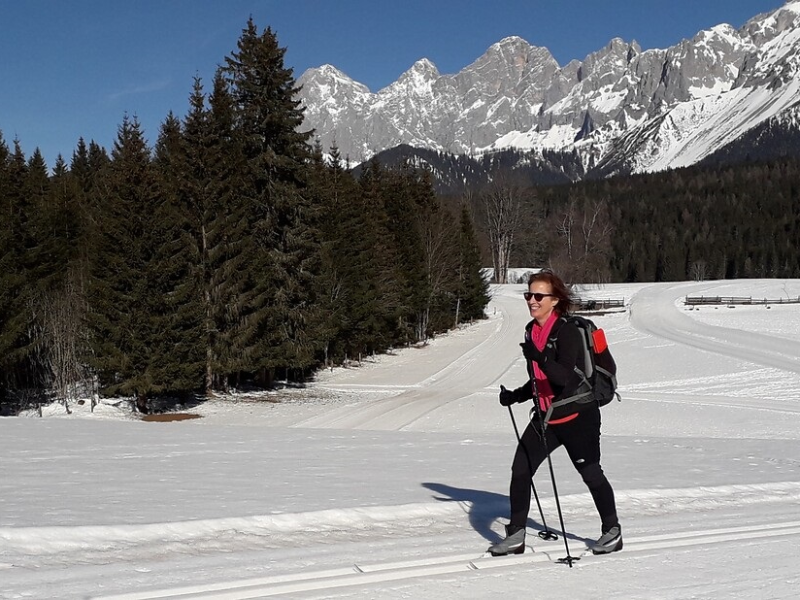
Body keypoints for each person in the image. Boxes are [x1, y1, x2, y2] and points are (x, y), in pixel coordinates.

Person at [489, 269, 622, 556]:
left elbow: (566, 378)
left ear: (555, 300)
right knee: (520, 470)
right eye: (529, 294)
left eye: (539, 295)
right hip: (546, 418)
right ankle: (516, 535)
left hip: (578, 416)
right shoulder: (531, 330)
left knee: (590, 473)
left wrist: (540, 357)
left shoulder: (567, 331)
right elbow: (540, 379)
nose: (532, 300)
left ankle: (612, 531)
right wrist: (516, 395)